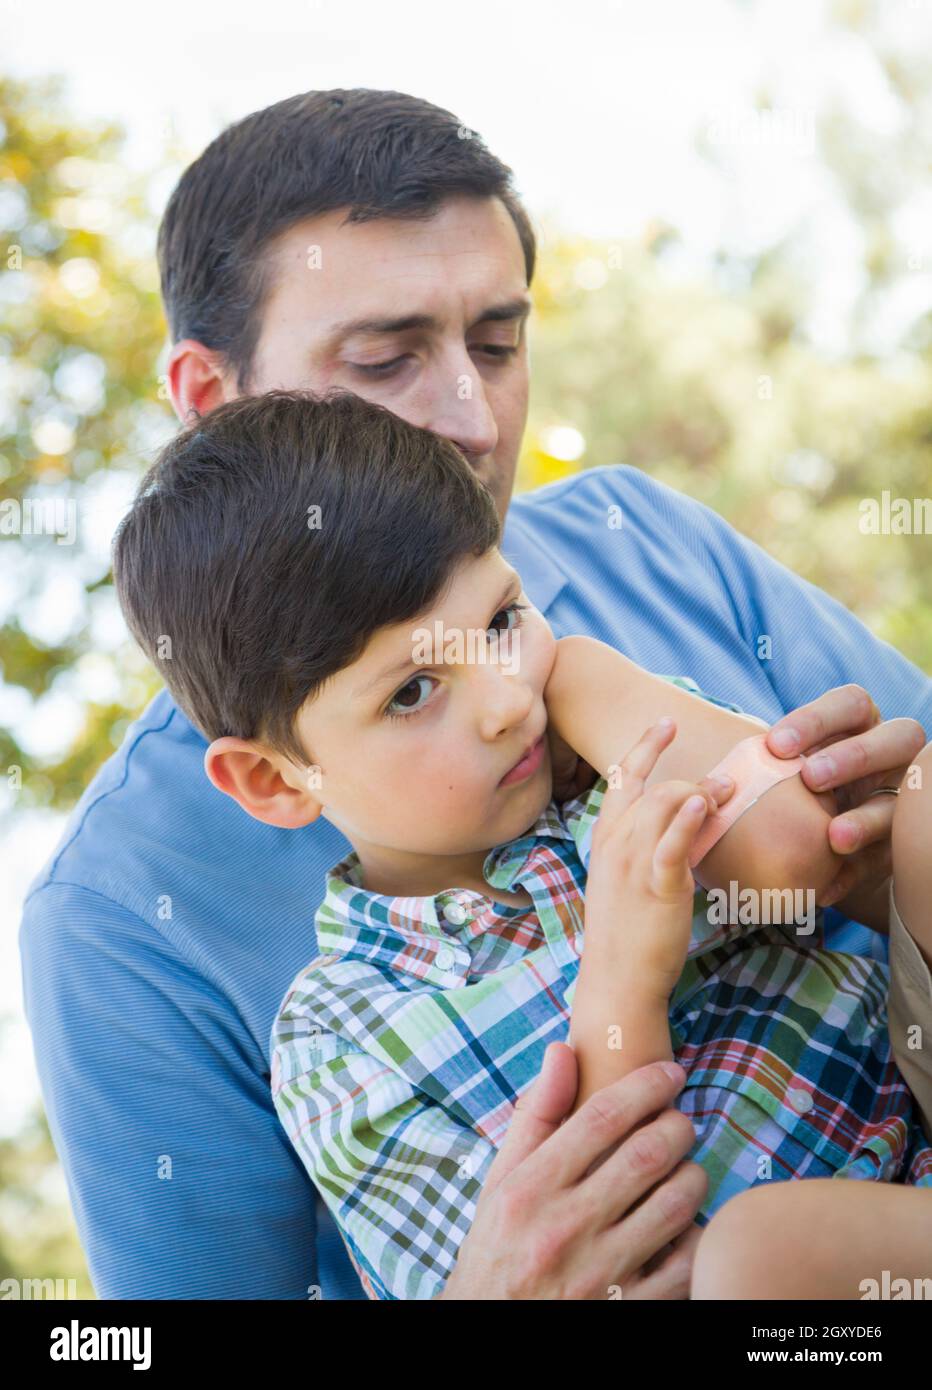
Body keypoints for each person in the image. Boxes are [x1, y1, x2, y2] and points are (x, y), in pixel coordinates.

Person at [19, 88, 930, 1300]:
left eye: (496, 344)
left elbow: (848, 838)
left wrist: (863, 845)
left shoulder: (635, 541)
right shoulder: (119, 921)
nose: (469, 415)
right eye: (386, 358)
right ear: (206, 397)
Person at [109, 386, 932, 1301]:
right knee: (759, 1260)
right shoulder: (341, 1037)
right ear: (275, 780)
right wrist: (623, 973)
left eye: (502, 622)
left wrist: (587, 677)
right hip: (777, 1291)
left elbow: (797, 849)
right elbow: (603, 1264)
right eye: (413, 692)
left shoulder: (602, 753)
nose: (507, 702)